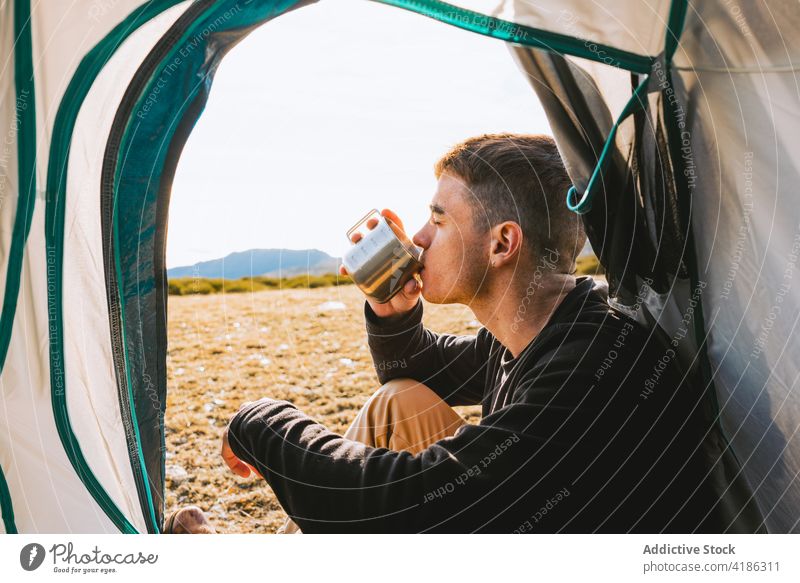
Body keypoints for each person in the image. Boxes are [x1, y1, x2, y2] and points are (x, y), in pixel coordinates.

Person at [201, 133, 719, 534]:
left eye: (438, 219)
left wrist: (259, 421)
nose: (419, 238)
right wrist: (392, 311)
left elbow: (406, 510)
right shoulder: (537, 325)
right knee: (397, 401)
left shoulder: (591, 368)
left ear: (502, 244)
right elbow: (416, 371)